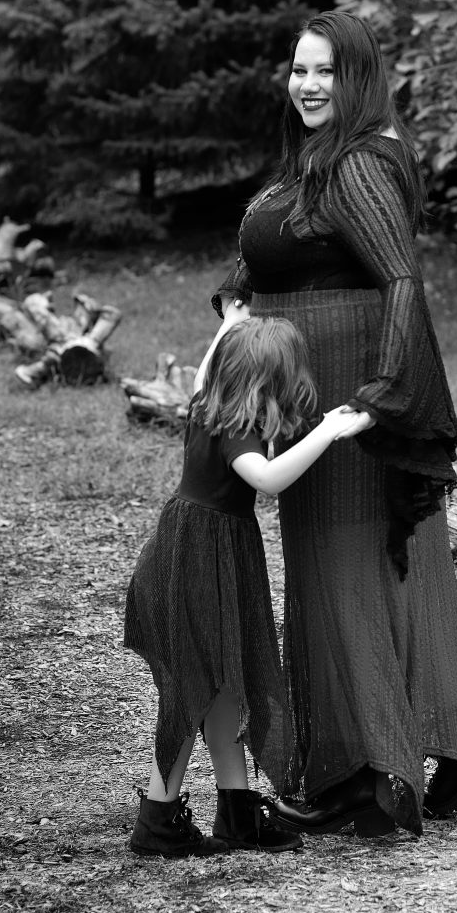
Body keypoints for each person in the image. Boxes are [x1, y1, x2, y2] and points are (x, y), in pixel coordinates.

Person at [212, 11, 457, 837]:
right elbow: (288, 247)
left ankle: (366, 773)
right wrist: (235, 297)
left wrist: (381, 391)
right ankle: (419, 752)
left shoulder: (361, 158)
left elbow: (400, 277)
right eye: (298, 69)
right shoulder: (327, 155)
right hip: (314, 388)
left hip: (346, 394)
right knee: (376, 567)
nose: (308, 84)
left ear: (358, 77)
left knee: (343, 570)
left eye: (326, 70)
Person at [124, 316, 370, 856]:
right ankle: (157, 822)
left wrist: (230, 323)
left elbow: (205, 370)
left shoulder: (207, 404)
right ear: (266, 380)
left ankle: (237, 814)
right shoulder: (238, 429)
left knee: (224, 692)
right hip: (200, 562)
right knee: (193, 691)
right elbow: (267, 479)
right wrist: (329, 430)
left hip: (202, 554)